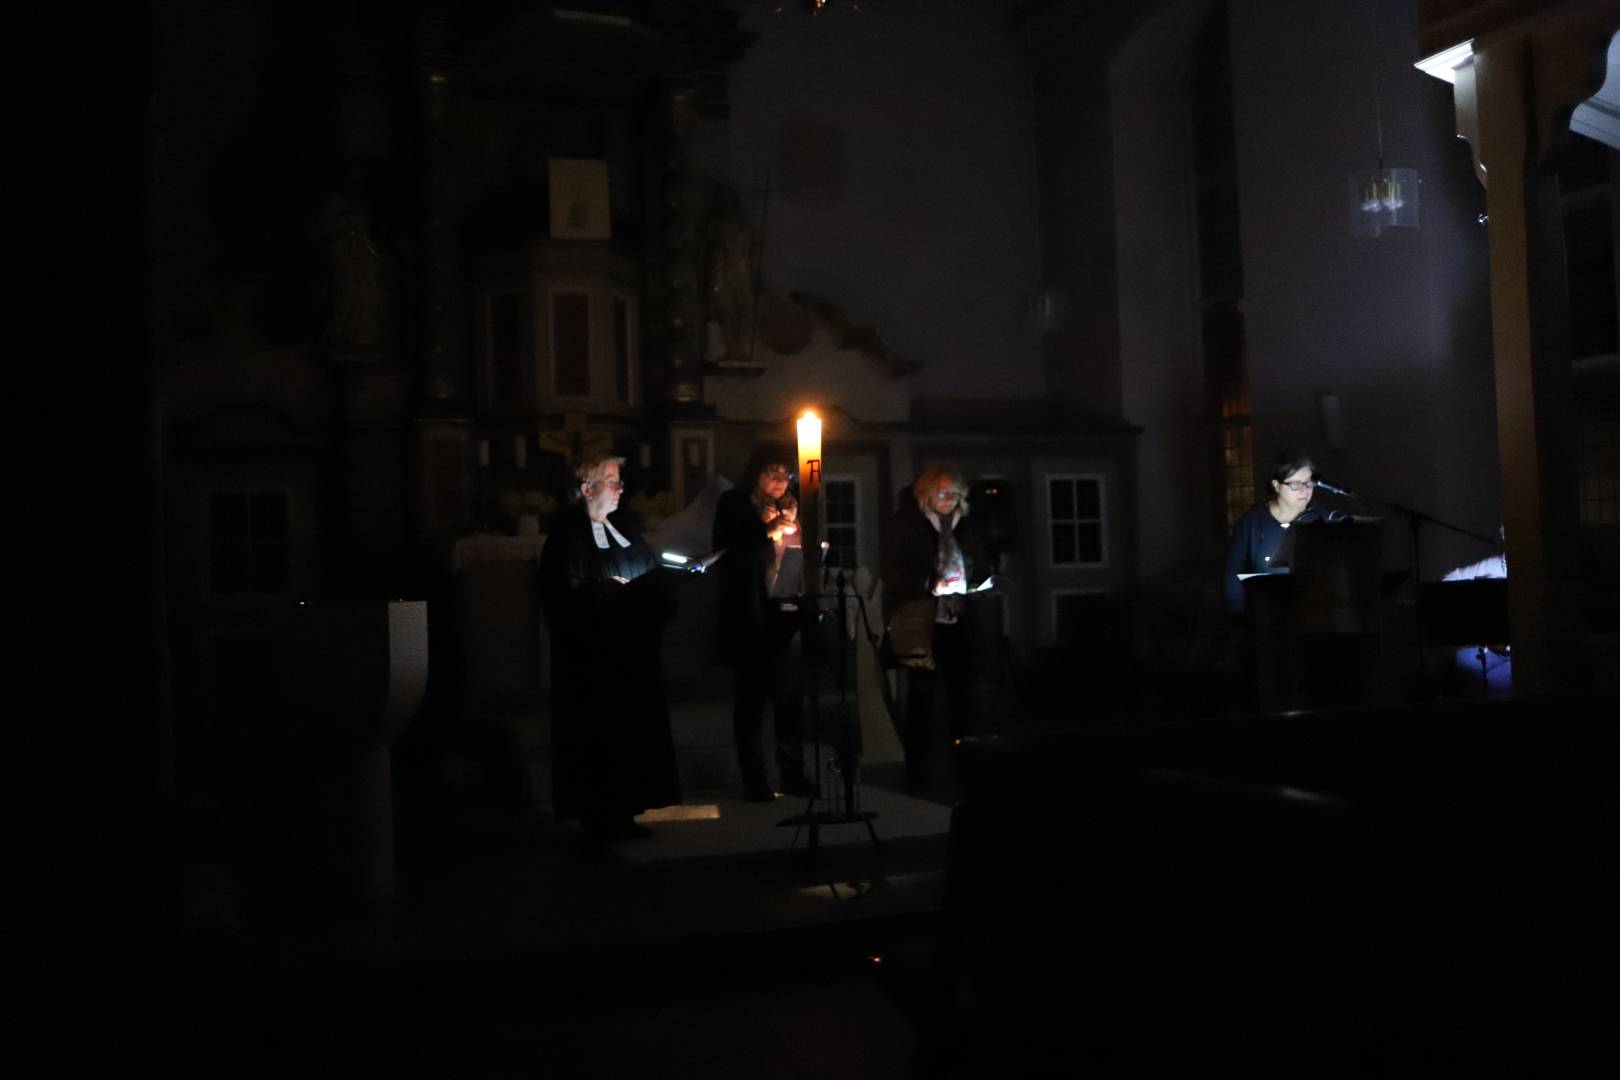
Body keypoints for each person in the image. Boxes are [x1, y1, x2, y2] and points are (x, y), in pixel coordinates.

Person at [538, 452, 681, 844]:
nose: (621, 488)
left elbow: (649, 575)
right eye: (612, 481)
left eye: (620, 481)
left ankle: (625, 810)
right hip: (594, 663)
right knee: (598, 737)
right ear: (587, 489)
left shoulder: (626, 531)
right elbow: (561, 598)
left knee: (631, 735)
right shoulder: (566, 537)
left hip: (631, 655)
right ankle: (598, 815)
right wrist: (604, 593)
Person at [712, 443, 813, 801]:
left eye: (786, 473)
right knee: (752, 700)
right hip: (752, 613)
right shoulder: (735, 505)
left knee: (790, 698)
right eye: (773, 472)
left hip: (788, 609)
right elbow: (729, 554)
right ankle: (754, 777)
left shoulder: (797, 506)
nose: (780, 480)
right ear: (756, 473)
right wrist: (768, 530)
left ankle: (793, 773)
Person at [882, 463, 988, 791]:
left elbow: (979, 562)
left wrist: (968, 586)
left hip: (957, 621)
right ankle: (917, 773)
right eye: (943, 494)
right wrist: (931, 583)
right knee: (921, 699)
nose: (949, 501)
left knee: (962, 698)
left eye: (956, 495)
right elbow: (894, 571)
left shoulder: (965, 525)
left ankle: (966, 767)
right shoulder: (909, 524)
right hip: (922, 621)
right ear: (927, 493)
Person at [1223, 451, 1327, 614]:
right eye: (1295, 484)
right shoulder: (1251, 523)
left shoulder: (1323, 519)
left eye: (1309, 483)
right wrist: (1238, 614)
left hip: (1314, 613)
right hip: (1266, 614)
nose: (1304, 490)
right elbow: (1232, 571)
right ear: (1276, 485)